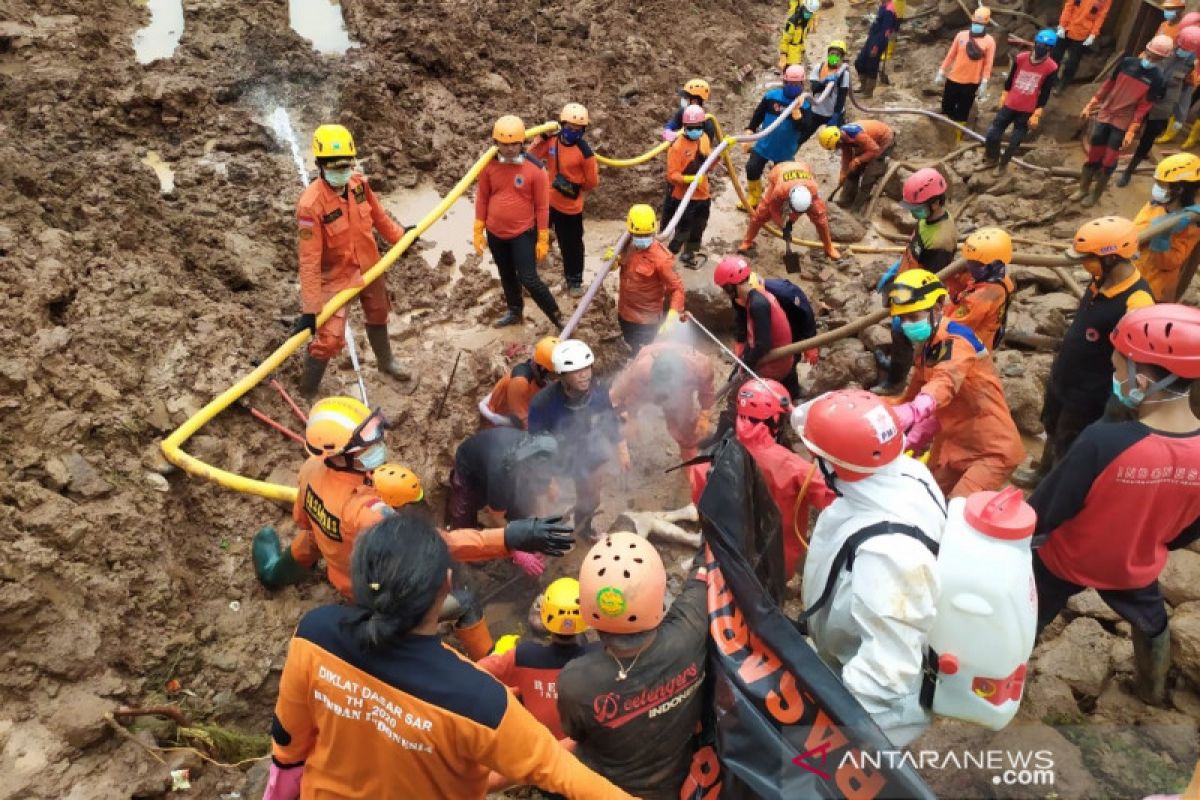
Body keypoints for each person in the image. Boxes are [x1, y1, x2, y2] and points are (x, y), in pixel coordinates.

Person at [263, 515, 635, 800]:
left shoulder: (315, 633)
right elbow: (562, 773)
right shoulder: (477, 699)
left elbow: (288, 745)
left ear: (360, 577)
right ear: (445, 585)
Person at [1029, 304, 1200, 706]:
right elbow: (1185, 533)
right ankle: (1151, 690)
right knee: (1152, 622)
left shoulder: (1101, 442)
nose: (1115, 378)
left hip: (1065, 558)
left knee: (1029, 614)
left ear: (1143, 379)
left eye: (1118, 368)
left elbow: (1046, 510)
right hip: (1133, 566)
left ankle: (1005, 671)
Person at [798, 389, 947, 746]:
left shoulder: (887, 555)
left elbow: (886, 673)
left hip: (876, 709)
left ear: (834, 467)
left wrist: (828, 722)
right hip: (848, 650)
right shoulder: (909, 473)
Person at [557, 532, 708, 800]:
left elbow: (575, 734)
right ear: (659, 600)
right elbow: (704, 571)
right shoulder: (689, 633)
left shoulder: (576, 682)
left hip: (609, 792)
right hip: (678, 785)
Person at [1014, 217, 1155, 487]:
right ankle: (1043, 473)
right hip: (1065, 378)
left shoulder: (1137, 302)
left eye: (1087, 258)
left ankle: (1054, 490)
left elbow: (1135, 357)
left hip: (1090, 391)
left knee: (1070, 441)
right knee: (1054, 428)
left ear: (1112, 258)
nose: (1082, 264)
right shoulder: (1099, 282)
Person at [291, 124, 415, 400]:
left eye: (346, 165)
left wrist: (400, 238)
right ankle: (308, 390)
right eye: (334, 166)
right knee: (329, 339)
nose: (342, 171)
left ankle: (386, 362)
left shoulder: (359, 185)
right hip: (335, 278)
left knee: (379, 313)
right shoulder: (310, 205)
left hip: (370, 266)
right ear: (320, 165)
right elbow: (309, 260)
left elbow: (379, 217)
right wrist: (310, 308)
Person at [886, 270, 1024, 497]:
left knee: (956, 511)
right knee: (927, 497)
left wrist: (913, 411)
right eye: (903, 318)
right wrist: (912, 437)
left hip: (990, 450)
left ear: (938, 306)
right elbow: (917, 393)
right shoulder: (927, 345)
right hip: (953, 441)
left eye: (913, 316)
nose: (907, 324)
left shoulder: (957, 342)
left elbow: (944, 382)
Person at [373, 463, 561, 579]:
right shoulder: (395, 536)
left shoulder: (364, 506)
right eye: (408, 505)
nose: (414, 509)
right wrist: (509, 541)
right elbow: (451, 544)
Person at [735, 379, 835, 576]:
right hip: (781, 551)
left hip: (739, 541)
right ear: (774, 421)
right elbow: (832, 498)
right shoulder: (796, 468)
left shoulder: (724, 450)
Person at [871, 168, 958, 395]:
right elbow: (913, 248)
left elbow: (930, 282)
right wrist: (893, 272)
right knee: (896, 332)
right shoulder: (927, 221)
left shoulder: (941, 240)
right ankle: (896, 365)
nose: (913, 213)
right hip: (906, 280)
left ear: (936, 203)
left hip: (916, 293)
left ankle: (896, 380)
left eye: (917, 208)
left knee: (902, 335)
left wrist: (908, 310)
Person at [528, 340, 626, 541]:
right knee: (543, 504)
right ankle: (540, 540)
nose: (584, 374)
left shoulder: (598, 390)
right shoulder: (543, 403)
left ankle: (584, 528)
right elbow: (536, 444)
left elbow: (609, 419)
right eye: (576, 371)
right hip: (555, 452)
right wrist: (548, 479)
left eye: (586, 368)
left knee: (592, 498)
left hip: (585, 446)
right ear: (562, 375)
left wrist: (621, 448)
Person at [478, 578, 597, 739]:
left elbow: (475, 671)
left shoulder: (523, 655)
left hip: (539, 746)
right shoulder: (598, 657)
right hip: (582, 747)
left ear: (545, 617)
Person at [474, 115, 563, 329]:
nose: (510, 149)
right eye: (504, 144)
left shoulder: (535, 170)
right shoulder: (487, 166)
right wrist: (478, 229)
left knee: (529, 278)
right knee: (506, 274)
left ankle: (557, 316)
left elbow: (542, 206)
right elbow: (482, 197)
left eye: (515, 144)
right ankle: (515, 311)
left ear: (522, 142)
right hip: (495, 233)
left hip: (522, 233)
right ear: (496, 143)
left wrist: (542, 237)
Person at [1073, 37, 1169, 208]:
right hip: (1106, 113)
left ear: (1162, 59)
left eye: (1156, 57)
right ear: (1146, 50)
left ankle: (1095, 195)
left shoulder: (1157, 79)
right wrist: (1091, 104)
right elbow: (1108, 85)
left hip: (1123, 121)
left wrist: (1132, 129)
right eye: (1151, 54)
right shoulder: (1127, 64)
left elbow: (1144, 106)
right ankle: (1083, 188)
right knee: (1094, 152)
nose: (1151, 59)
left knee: (1109, 159)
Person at [529, 103, 599, 298]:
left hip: (570, 207)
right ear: (562, 125)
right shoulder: (551, 141)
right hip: (547, 201)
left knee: (571, 245)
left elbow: (592, 182)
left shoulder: (585, 153)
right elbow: (531, 155)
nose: (572, 133)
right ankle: (529, 271)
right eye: (569, 128)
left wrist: (572, 185)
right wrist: (539, 137)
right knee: (534, 233)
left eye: (578, 130)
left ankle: (574, 281)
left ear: (583, 131)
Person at [609, 340, 716, 461]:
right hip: (645, 365)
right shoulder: (641, 372)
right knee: (616, 396)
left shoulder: (700, 366)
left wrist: (705, 413)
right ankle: (611, 434)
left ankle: (688, 447)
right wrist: (632, 418)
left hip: (682, 385)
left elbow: (707, 389)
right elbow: (634, 395)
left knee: (683, 419)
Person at [1119, 28, 1200, 187]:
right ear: (1178, 42)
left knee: (1147, 140)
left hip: (1162, 109)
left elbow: (1186, 92)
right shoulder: (1160, 51)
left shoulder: (1190, 66)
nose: (1185, 52)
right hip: (1143, 101)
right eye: (1183, 48)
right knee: (1126, 130)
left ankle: (1129, 170)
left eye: (1189, 50)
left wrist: (1180, 116)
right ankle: (1111, 159)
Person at [713, 255, 800, 398]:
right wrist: (741, 362)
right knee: (737, 372)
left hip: (775, 363)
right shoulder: (756, 297)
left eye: (724, 288)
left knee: (737, 397)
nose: (724, 292)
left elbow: (763, 345)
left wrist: (744, 367)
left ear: (730, 286)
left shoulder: (757, 305)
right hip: (780, 357)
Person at [447, 427, 560, 529]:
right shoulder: (500, 476)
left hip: (491, 461)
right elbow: (496, 517)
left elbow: (542, 495)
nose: (540, 481)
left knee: (521, 508)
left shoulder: (538, 457)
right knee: (464, 523)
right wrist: (519, 541)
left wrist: (544, 527)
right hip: (469, 465)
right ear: (525, 471)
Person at [983, 29, 1058, 176]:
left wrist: (1038, 111)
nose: (1042, 48)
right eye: (1040, 44)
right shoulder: (1021, 58)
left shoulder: (1051, 67)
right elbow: (1010, 78)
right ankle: (992, 158)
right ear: (1035, 43)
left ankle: (1002, 165)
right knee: (992, 134)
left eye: (1046, 46)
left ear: (1051, 49)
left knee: (1014, 142)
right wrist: (1004, 95)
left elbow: (1046, 91)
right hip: (1010, 104)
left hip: (1027, 110)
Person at [736, 159, 839, 259]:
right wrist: (783, 226)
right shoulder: (780, 191)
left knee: (820, 216)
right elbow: (774, 209)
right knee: (761, 213)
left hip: (802, 168)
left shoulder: (812, 189)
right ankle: (747, 242)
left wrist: (790, 222)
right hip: (779, 172)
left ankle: (829, 247)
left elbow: (798, 211)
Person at [617, 205, 686, 353]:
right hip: (624, 312)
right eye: (639, 235)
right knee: (629, 345)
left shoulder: (662, 259)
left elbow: (677, 289)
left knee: (643, 355)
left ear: (654, 230)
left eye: (647, 235)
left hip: (645, 322)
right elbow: (620, 261)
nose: (642, 239)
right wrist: (612, 261)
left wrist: (673, 314)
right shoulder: (626, 243)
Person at [1133, 153, 1200, 302]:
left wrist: (1161, 240)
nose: (1157, 188)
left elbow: (1167, 263)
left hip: (1154, 290)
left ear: (1180, 188)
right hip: (1134, 274)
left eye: (1162, 184)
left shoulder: (1191, 224)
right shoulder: (1156, 205)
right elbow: (1135, 231)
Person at [741, 64, 809, 209]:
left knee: (781, 179)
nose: (792, 86)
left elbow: (805, 129)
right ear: (784, 82)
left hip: (785, 150)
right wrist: (750, 130)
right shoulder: (772, 97)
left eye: (796, 84)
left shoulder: (806, 105)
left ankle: (773, 203)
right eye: (789, 83)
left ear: (802, 84)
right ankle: (754, 196)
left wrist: (798, 116)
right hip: (765, 144)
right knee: (752, 168)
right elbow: (758, 115)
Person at [664, 105, 714, 266]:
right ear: (684, 127)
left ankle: (690, 253)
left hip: (703, 194)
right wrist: (689, 179)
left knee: (699, 227)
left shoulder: (704, 139)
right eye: (691, 128)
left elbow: (708, 162)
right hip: (685, 197)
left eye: (698, 127)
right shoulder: (677, 147)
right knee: (682, 230)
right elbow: (672, 175)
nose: (695, 130)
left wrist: (719, 157)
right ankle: (667, 258)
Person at [948, 227, 1014, 350]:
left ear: (994, 264)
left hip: (968, 347)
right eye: (970, 261)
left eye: (976, 264)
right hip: (983, 337)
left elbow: (952, 326)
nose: (970, 266)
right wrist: (952, 279)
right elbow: (969, 284)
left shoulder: (982, 297)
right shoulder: (1000, 278)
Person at [936, 6, 995, 140]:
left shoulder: (989, 41)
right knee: (946, 106)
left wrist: (984, 82)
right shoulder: (961, 35)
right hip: (953, 78)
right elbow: (951, 55)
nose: (977, 25)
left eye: (980, 24)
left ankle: (956, 137)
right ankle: (945, 133)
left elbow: (988, 63)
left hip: (971, 82)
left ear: (986, 23)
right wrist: (941, 70)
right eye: (975, 22)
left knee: (963, 111)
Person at [479, 336, 560, 429]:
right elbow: (526, 425)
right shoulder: (520, 382)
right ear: (542, 369)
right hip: (502, 423)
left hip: (525, 409)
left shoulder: (542, 375)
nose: (558, 376)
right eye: (555, 373)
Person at [817, 120, 896, 208]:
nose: (838, 148)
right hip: (869, 142)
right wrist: (843, 173)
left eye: (837, 146)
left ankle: (857, 208)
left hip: (884, 141)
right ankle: (846, 201)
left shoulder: (857, 135)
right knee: (852, 172)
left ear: (839, 140)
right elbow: (847, 155)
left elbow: (875, 150)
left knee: (870, 176)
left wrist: (858, 160)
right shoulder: (842, 137)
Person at [794, 41, 852, 150]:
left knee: (841, 142)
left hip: (833, 113)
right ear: (828, 54)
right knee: (800, 137)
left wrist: (836, 115)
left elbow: (842, 96)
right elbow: (814, 88)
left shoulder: (844, 73)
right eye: (832, 54)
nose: (834, 57)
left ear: (842, 57)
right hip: (817, 111)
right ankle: (786, 158)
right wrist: (824, 81)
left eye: (837, 55)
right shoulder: (819, 67)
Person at [1051, 0, 1112, 93]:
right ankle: (1052, 79)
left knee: (1072, 62)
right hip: (1067, 27)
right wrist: (1062, 24)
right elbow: (1069, 5)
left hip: (1082, 33)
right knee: (1055, 55)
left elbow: (1101, 16)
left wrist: (1093, 34)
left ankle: (1062, 84)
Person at [854, 0, 901, 99]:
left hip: (878, 41)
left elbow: (886, 30)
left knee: (871, 65)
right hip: (872, 37)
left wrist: (876, 46)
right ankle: (863, 87)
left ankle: (868, 92)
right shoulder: (883, 6)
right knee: (859, 62)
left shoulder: (889, 10)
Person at [661, 78, 718, 143]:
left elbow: (705, 147)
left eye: (685, 98)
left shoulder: (707, 121)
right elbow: (674, 122)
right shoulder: (683, 112)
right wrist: (668, 130)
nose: (683, 100)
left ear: (694, 101)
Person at [779, 0, 822, 69]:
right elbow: (785, 40)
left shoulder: (806, 21)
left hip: (799, 53)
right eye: (807, 12)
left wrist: (802, 51)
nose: (809, 14)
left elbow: (802, 39)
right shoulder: (793, 22)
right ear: (803, 8)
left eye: (811, 13)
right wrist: (783, 54)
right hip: (790, 54)